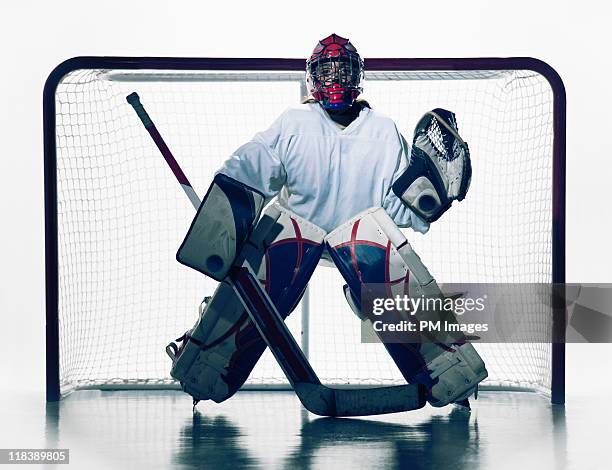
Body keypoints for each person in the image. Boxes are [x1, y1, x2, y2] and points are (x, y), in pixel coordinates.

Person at [169, 34, 485, 410]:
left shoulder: (383, 130)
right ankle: (203, 368)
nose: (335, 79)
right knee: (265, 269)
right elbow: (252, 168)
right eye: (327, 71)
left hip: (363, 241)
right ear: (312, 78)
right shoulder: (295, 122)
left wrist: (432, 195)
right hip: (295, 239)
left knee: (384, 265)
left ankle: (451, 375)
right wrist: (228, 209)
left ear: (358, 76)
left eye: (343, 70)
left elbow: (400, 211)